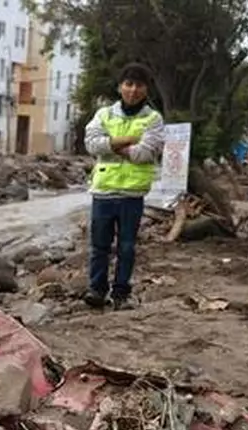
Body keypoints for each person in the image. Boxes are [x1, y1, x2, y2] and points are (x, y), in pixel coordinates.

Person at [82, 63, 166, 310]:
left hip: (132, 193)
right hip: (103, 191)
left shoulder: (153, 118)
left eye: (138, 85)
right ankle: (97, 290)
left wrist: (110, 145)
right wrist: (127, 140)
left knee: (127, 247)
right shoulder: (104, 114)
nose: (133, 89)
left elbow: (145, 153)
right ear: (120, 87)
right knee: (99, 246)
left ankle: (121, 293)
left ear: (146, 89)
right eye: (128, 84)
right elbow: (91, 144)